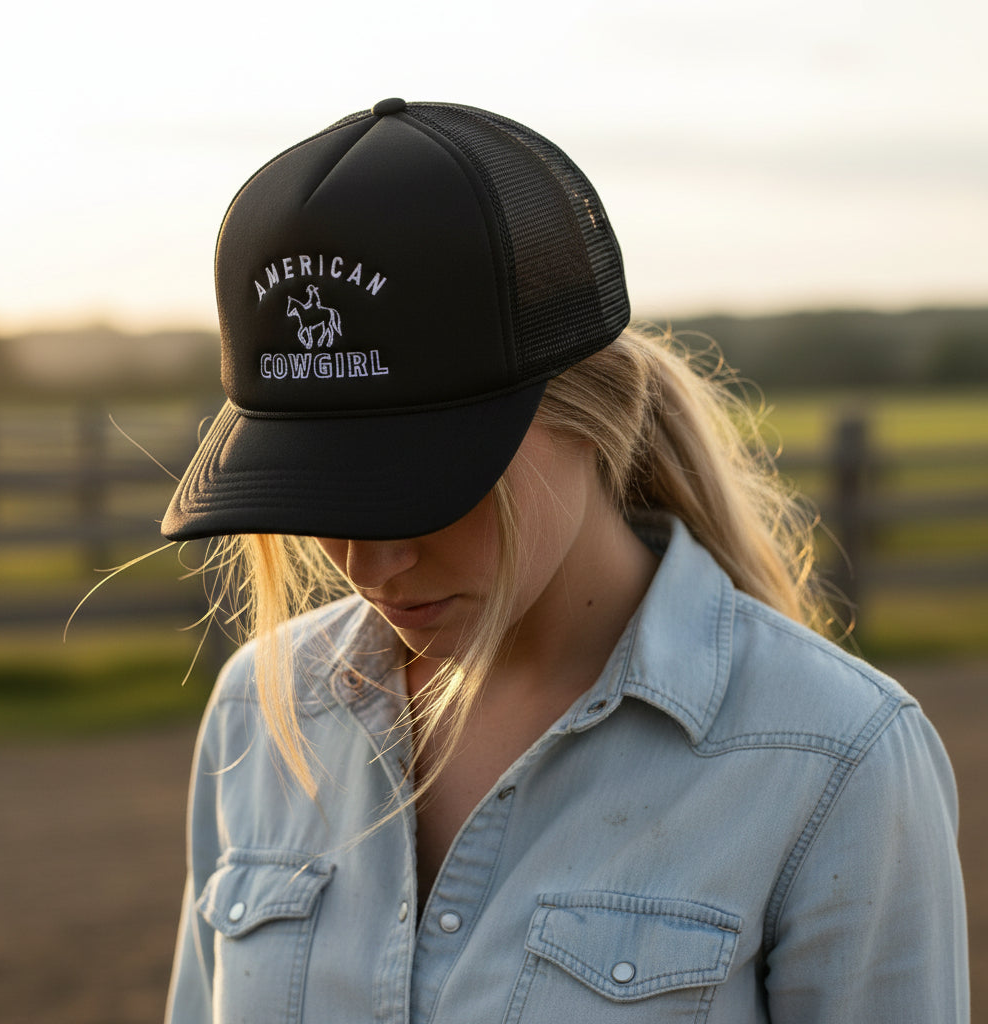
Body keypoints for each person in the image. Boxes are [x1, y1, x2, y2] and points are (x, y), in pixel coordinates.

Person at [162, 99, 968, 1023]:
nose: (371, 561)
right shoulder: (261, 712)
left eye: (422, 484)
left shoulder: (834, 759)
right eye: (319, 493)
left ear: (597, 416)